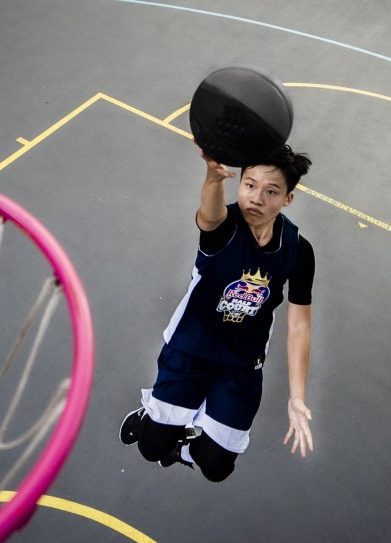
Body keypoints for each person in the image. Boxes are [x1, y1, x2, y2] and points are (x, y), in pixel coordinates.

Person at [119, 144, 315, 482]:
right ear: (238, 184)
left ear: (288, 199)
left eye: (271, 191)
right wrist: (212, 178)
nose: (256, 198)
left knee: (216, 466)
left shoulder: (297, 250)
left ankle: (183, 446)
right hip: (190, 351)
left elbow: (299, 325)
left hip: (240, 365)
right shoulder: (223, 228)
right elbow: (209, 215)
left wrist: (297, 398)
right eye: (249, 185)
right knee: (151, 448)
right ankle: (148, 420)